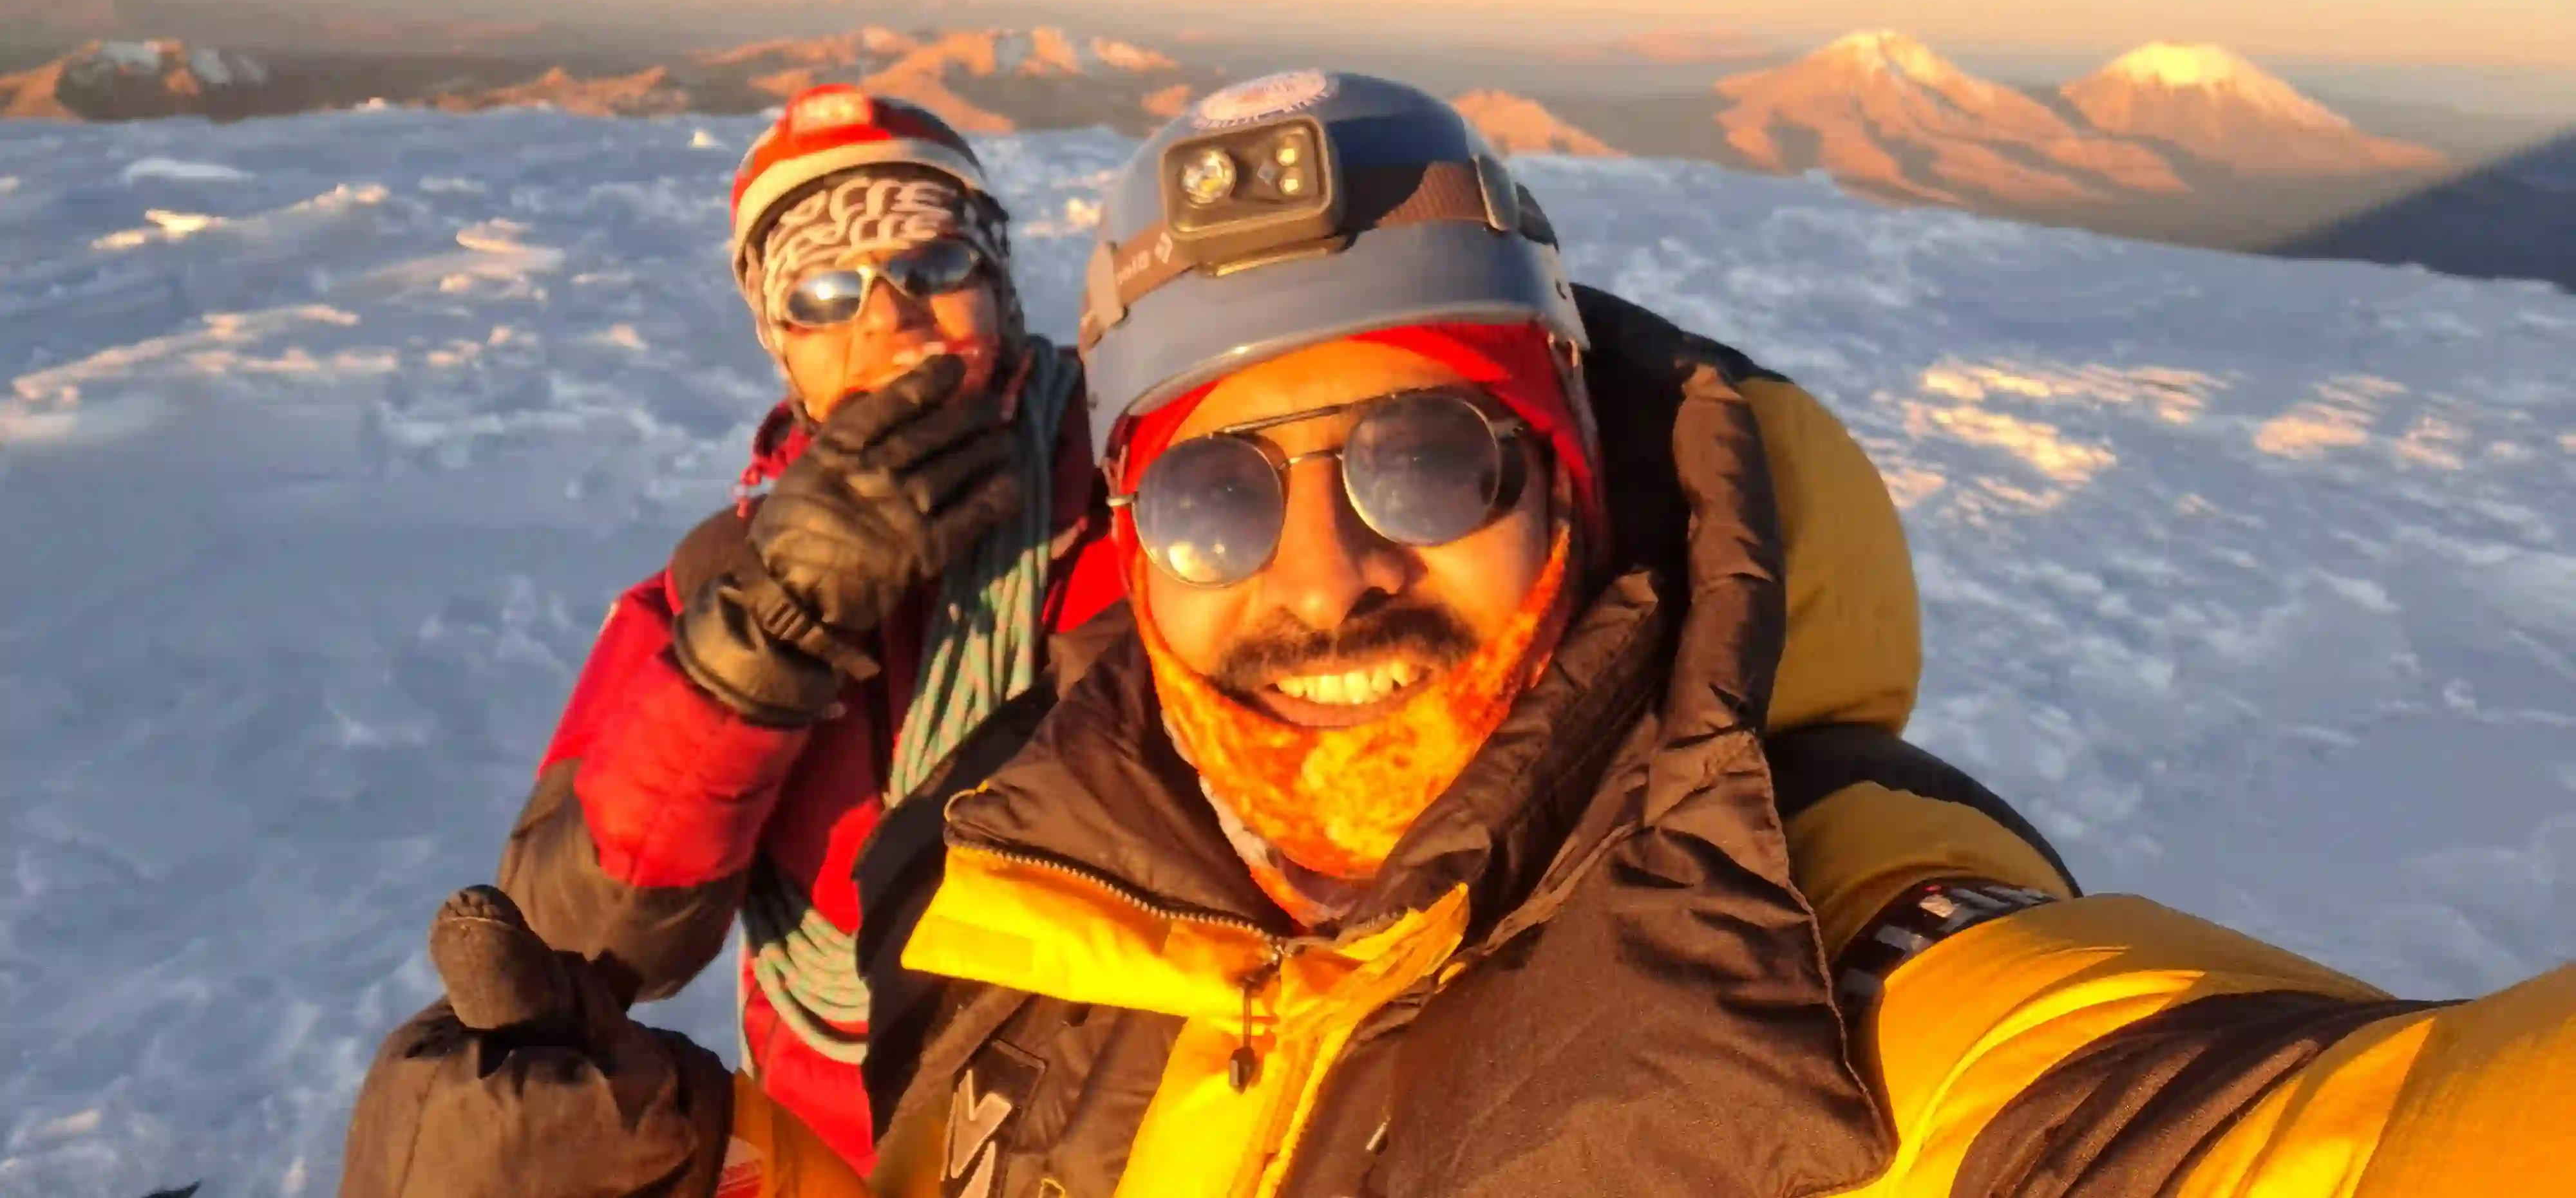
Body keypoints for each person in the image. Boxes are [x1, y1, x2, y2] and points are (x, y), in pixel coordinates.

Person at [344, 75, 2576, 1198]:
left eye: (1430, 464)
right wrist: (741, 661)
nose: (1319, 582)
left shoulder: (1785, 958)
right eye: (821, 288)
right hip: (894, 1106)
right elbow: (588, 921)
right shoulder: (754, 593)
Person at [491, 84, 1123, 1174]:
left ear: (997, 279)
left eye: (931, 267)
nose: (888, 318)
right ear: (779, 339)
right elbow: (578, 945)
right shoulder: (713, 584)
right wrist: (764, 638)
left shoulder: (1144, 500)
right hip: (832, 1153)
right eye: (826, 291)